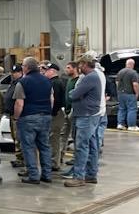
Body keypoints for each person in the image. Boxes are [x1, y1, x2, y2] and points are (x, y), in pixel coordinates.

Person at [12, 57, 53, 184]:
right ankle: (47, 174)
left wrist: (16, 117)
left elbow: (19, 103)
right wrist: (47, 112)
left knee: (28, 147)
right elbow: (52, 99)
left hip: (28, 118)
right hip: (45, 116)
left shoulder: (23, 82)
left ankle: (33, 176)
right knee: (45, 146)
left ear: (26, 67)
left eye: (23, 65)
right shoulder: (47, 81)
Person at [65, 56, 102, 187]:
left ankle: (79, 177)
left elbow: (73, 95)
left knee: (81, 146)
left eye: (80, 64)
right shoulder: (94, 76)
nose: (79, 67)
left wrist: (72, 92)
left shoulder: (89, 78)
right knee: (91, 146)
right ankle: (91, 175)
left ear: (85, 64)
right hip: (90, 114)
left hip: (86, 116)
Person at [44, 63, 66, 172]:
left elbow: (56, 100)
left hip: (55, 114)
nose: (45, 72)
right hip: (56, 113)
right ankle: (53, 160)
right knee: (53, 138)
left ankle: (54, 162)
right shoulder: (55, 82)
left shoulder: (55, 83)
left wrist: (52, 113)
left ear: (52, 71)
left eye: (47, 70)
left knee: (54, 139)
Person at [3, 64, 25, 168]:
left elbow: (19, 101)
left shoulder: (21, 83)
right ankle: (19, 157)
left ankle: (21, 159)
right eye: (12, 72)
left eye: (15, 72)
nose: (13, 74)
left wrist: (17, 115)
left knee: (18, 138)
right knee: (15, 137)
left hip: (18, 115)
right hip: (11, 114)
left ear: (21, 72)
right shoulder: (14, 83)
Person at [61, 61, 79, 169]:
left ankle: (76, 157)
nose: (66, 70)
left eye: (68, 68)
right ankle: (60, 155)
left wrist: (72, 110)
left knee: (75, 135)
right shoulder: (69, 81)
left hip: (74, 112)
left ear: (75, 68)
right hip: (66, 112)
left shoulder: (78, 81)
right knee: (64, 135)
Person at [115, 58, 139, 131]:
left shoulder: (120, 72)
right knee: (132, 109)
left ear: (126, 64)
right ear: (132, 64)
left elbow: (117, 83)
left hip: (121, 94)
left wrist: (119, 90)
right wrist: (137, 93)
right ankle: (132, 126)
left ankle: (120, 124)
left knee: (121, 109)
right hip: (130, 94)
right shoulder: (133, 73)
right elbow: (135, 84)